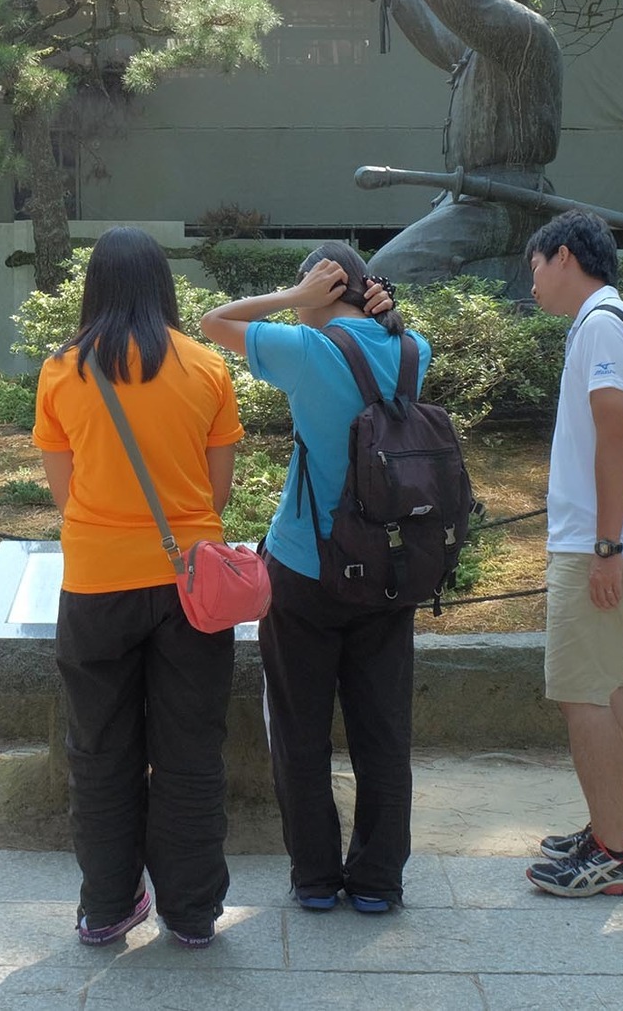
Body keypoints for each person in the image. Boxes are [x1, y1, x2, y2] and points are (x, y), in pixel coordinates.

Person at [32, 226, 245, 949]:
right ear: (164, 285)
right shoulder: (207, 366)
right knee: (190, 747)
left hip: (96, 582)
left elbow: (65, 495)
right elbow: (217, 490)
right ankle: (191, 911)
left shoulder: (62, 370)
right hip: (193, 584)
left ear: (93, 287)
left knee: (100, 748)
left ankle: (105, 906)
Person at [198, 243, 418, 913]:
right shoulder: (414, 349)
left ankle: (316, 878)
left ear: (324, 285)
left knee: (298, 726)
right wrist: (375, 309)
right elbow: (389, 348)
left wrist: (296, 301)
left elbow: (213, 320)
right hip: (389, 563)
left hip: (305, 565)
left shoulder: (302, 350)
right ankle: (378, 879)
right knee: (383, 727)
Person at [521, 209, 623, 897]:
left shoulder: (602, 324)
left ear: (565, 256)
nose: (532, 283)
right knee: (606, 686)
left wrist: (605, 546)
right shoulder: (607, 320)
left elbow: (614, 431)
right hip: (615, 544)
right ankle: (618, 831)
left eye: (534, 266)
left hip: (602, 549)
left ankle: (611, 853)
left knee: (582, 693)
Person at [355, 0, 564, 295]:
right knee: (391, 273)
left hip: (511, 201)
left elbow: (464, 1)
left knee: (394, 272)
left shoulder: (523, 33)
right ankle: (498, 303)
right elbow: (437, 30)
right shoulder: (484, 44)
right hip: (474, 196)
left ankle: (500, 307)